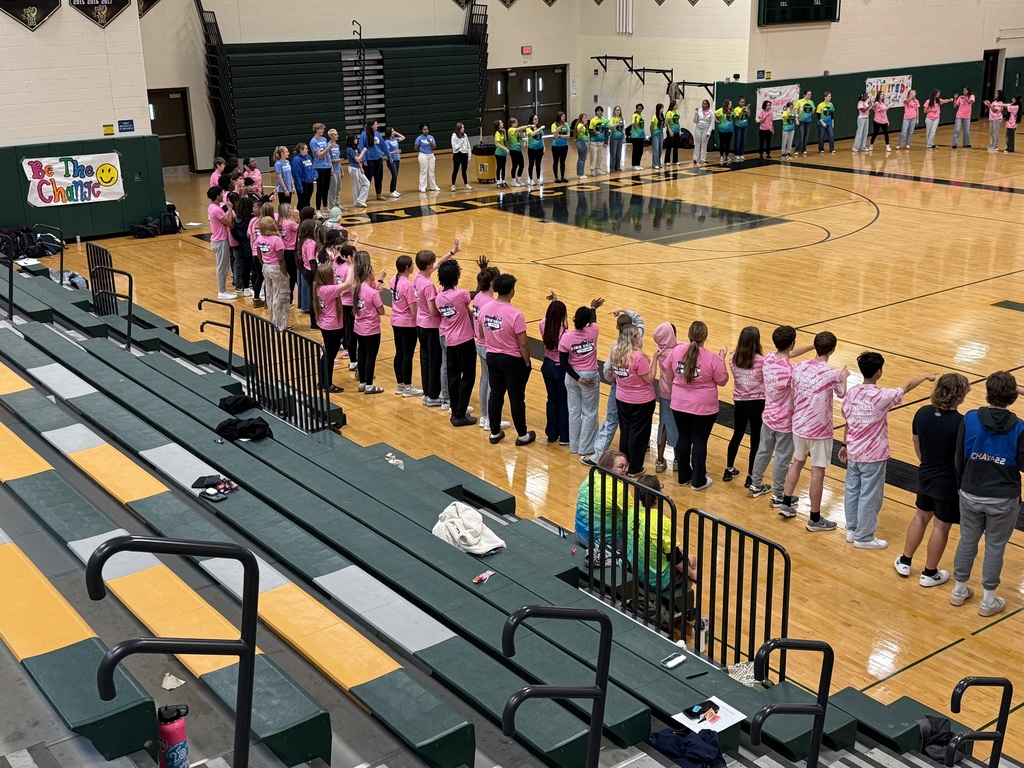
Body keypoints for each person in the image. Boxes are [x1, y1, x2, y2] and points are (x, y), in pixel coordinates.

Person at [839, 353, 934, 549]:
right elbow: (906, 386)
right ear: (878, 372)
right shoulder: (883, 396)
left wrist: (844, 445)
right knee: (870, 495)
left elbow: (848, 421)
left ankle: (852, 529)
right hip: (873, 455)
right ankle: (864, 537)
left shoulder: (852, 393)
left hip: (854, 452)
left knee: (852, 490)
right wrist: (925, 376)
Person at [950, 372, 1024, 617]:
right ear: (1013, 397)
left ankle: (959, 590)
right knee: (995, 546)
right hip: (1004, 497)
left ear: (987, 393)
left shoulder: (970, 418)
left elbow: (959, 456)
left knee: (967, 540)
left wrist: (962, 485)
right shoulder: (1020, 427)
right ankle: (988, 601)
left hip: (970, 492)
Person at [895, 374, 971, 587]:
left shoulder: (922, 413)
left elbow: (916, 443)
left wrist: (927, 463)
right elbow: (962, 456)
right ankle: (929, 574)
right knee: (941, 527)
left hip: (926, 474)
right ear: (958, 396)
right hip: (948, 482)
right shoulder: (962, 423)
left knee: (920, 517)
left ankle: (905, 561)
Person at [778, 331, 847, 530]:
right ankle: (815, 518)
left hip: (798, 425)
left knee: (797, 462)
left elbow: (791, 390)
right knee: (817, 472)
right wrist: (843, 376)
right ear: (833, 349)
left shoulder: (799, 367)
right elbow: (842, 394)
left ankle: (786, 503)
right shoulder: (832, 373)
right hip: (820, 430)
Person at [748, 326, 814, 506]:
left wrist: (811, 347)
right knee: (782, 459)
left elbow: (788, 354)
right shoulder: (791, 371)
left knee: (763, 451)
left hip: (768, 417)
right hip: (785, 422)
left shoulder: (769, 358)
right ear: (792, 343)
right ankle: (778, 494)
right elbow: (796, 396)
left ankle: (755, 484)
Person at [666, 321, 728, 490]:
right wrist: (721, 360)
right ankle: (698, 480)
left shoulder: (677, 351)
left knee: (683, 437)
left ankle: (683, 476)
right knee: (700, 440)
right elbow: (722, 381)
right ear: (705, 337)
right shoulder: (712, 358)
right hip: (703, 407)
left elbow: (668, 371)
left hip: (679, 403)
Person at [480, 273, 534, 446]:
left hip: (492, 356)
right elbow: (523, 343)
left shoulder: (485, 309)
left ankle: (495, 432)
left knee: (496, 395)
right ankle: (522, 435)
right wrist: (526, 362)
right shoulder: (516, 314)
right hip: (512, 360)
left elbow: (481, 333)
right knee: (516, 398)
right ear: (512, 291)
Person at [587, 309, 645, 467]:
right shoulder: (638, 341)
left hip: (619, 388)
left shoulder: (616, 347)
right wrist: (625, 310)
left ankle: (598, 455)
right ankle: (642, 446)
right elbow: (640, 320)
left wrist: (615, 378)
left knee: (612, 420)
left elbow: (607, 370)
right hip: (638, 391)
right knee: (636, 423)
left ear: (618, 329)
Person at [629, 475, 698, 591]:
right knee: (692, 559)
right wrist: (692, 574)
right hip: (655, 579)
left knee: (681, 549)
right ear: (657, 495)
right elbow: (676, 560)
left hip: (634, 568)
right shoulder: (661, 522)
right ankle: (682, 599)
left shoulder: (632, 511)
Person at [415, 240, 460, 407]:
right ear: (428, 265)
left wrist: (452, 252)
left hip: (420, 323)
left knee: (425, 359)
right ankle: (433, 395)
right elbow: (433, 310)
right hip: (431, 325)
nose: (435, 264)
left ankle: (428, 392)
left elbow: (439, 263)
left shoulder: (418, 276)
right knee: (434, 361)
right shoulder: (428, 285)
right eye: (432, 263)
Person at [611, 321, 656, 477]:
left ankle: (623, 465)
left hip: (622, 398)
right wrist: (655, 359)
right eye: (637, 335)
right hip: (641, 400)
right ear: (634, 338)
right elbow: (649, 378)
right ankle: (635, 468)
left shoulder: (615, 351)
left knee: (626, 432)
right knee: (638, 434)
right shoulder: (639, 356)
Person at [560, 301, 603, 459]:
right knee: (590, 413)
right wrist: (593, 308)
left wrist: (577, 378)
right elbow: (593, 320)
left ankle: (574, 445)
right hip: (589, 377)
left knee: (574, 412)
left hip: (572, 377)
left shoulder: (566, 337)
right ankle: (585, 448)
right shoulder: (593, 331)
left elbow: (564, 363)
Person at [436, 260, 477, 426]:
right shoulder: (460, 295)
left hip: (450, 340)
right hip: (465, 341)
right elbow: (477, 293)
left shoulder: (439, 297)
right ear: (456, 277)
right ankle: (460, 413)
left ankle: (455, 411)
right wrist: (483, 271)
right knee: (468, 376)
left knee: (453, 377)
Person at [724, 327, 765, 486]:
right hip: (757, 403)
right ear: (756, 342)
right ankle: (750, 476)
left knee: (737, 435)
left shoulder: (733, 358)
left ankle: (728, 469)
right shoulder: (762, 361)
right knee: (755, 440)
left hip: (739, 402)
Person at [313, 262, 355, 393]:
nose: (335, 276)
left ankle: (322, 382)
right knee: (329, 356)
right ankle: (328, 384)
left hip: (325, 324)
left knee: (326, 354)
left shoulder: (318, 287)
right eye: (333, 274)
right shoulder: (328, 290)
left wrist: (332, 261)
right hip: (333, 327)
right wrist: (351, 266)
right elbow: (348, 283)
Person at [574, 451, 630, 547]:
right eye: (621, 467)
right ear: (608, 467)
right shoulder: (619, 489)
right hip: (603, 543)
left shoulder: (592, 476)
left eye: (626, 466)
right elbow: (634, 517)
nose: (626, 470)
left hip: (580, 534)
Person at [351, 253, 386, 394]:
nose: (374, 273)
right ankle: (370, 386)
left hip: (359, 327)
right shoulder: (373, 293)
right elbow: (382, 311)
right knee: (371, 356)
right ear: (367, 274)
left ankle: (363, 383)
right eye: (372, 272)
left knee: (363, 354)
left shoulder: (356, 288)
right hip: (371, 329)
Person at [389, 255, 421, 397]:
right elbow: (414, 309)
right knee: (407, 354)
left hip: (395, 320)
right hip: (407, 323)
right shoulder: (407, 285)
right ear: (407, 267)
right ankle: (408, 387)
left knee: (400, 352)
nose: (414, 266)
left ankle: (400, 384)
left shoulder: (393, 279)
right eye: (412, 264)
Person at [540, 297, 569, 443]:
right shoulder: (564, 332)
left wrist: (554, 303)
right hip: (560, 368)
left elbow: (549, 316)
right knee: (563, 401)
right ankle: (564, 436)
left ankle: (551, 433)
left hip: (547, 364)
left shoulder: (543, 324)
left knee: (551, 399)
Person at [253, 216, 288, 330]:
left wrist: (263, 262)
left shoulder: (259, 238)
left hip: (266, 267)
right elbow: (281, 258)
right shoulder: (276, 240)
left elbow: (258, 253)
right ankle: (280, 324)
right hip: (276, 268)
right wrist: (285, 272)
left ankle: (272, 320)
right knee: (281, 295)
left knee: (270, 294)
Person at [652, 323, 679, 474]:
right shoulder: (678, 351)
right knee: (678, 426)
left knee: (663, 425)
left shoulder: (659, 350)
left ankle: (660, 460)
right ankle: (677, 460)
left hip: (663, 393)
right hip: (677, 394)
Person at [207, 186, 235, 300]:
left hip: (217, 239)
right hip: (220, 240)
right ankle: (222, 291)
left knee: (223, 266)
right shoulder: (216, 209)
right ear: (218, 196)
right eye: (221, 193)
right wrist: (229, 209)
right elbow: (229, 223)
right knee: (222, 267)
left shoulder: (212, 207)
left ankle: (223, 290)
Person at [229, 195, 253, 297]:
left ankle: (243, 286)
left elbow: (233, 232)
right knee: (250, 267)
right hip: (249, 246)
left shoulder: (235, 220)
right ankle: (244, 285)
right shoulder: (250, 220)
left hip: (241, 245)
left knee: (243, 266)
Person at [359, 120, 386, 201]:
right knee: (367, 179)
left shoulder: (378, 134)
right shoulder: (364, 135)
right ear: (371, 125)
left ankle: (379, 194)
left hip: (378, 159)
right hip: (369, 160)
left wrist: (388, 156)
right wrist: (364, 160)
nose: (377, 125)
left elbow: (383, 145)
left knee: (379, 177)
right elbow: (361, 147)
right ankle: (364, 196)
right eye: (376, 124)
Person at [309, 123, 331, 212]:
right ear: (317, 130)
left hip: (327, 167)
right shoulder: (313, 141)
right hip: (319, 167)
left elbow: (327, 154)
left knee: (326, 188)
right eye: (321, 129)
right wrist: (328, 148)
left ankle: (325, 206)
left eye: (323, 129)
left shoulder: (324, 139)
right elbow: (320, 155)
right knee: (320, 189)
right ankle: (318, 208)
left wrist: (330, 166)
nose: (323, 130)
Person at [415, 124, 441, 192]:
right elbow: (416, 148)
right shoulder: (419, 138)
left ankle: (433, 186)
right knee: (423, 171)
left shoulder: (431, 137)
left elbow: (434, 147)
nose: (426, 131)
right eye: (424, 129)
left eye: (427, 129)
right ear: (422, 130)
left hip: (431, 155)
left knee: (431, 171)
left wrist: (430, 142)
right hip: (423, 155)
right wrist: (422, 150)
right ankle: (422, 187)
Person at [291, 142, 317, 210]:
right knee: (302, 201)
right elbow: (296, 175)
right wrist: (299, 186)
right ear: (301, 150)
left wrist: (315, 175)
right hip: (303, 183)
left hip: (310, 183)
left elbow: (312, 167)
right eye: (306, 148)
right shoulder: (296, 160)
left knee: (307, 201)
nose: (307, 150)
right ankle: (300, 215)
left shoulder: (308, 157)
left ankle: (307, 215)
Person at [346, 135, 369, 208]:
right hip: (353, 168)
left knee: (366, 183)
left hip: (357, 168)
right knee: (356, 185)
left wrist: (361, 167)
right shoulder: (349, 149)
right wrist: (363, 152)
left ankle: (360, 199)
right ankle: (357, 201)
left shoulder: (354, 149)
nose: (356, 140)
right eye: (355, 138)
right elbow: (358, 159)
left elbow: (358, 161)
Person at [450, 122, 472, 191]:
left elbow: (468, 146)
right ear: (458, 128)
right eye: (462, 127)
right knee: (455, 170)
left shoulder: (465, 135)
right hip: (457, 154)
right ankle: (453, 185)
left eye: (463, 127)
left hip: (464, 154)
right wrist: (460, 142)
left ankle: (466, 184)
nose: (463, 129)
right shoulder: (454, 136)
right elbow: (455, 147)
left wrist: (469, 155)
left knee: (464, 170)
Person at [384, 127, 405, 198]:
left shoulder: (395, 139)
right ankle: (391, 191)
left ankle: (394, 189)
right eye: (392, 131)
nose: (393, 132)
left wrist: (395, 132)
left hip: (397, 160)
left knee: (396, 175)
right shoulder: (387, 142)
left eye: (394, 131)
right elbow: (387, 152)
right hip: (391, 161)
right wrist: (395, 152)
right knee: (394, 175)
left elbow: (403, 137)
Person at [525, 114, 546, 186]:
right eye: (535, 119)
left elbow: (541, 138)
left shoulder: (539, 127)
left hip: (539, 148)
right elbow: (533, 134)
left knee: (538, 164)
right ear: (532, 120)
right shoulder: (528, 128)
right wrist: (540, 129)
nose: (537, 120)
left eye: (537, 118)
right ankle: (531, 179)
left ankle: (538, 179)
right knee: (531, 164)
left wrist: (544, 147)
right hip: (532, 149)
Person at [693, 99, 714, 165]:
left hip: (706, 129)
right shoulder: (699, 111)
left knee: (704, 144)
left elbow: (712, 123)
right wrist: (696, 114)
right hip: (698, 128)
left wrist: (709, 132)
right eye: (703, 103)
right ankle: (695, 158)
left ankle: (703, 159)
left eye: (705, 104)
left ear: (708, 105)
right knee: (697, 144)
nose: (703, 105)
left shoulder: (711, 113)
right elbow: (695, 121)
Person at [551, 112, 570, 183]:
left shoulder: (566, 125)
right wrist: (557, 130)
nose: (564, 118)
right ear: (559, 117)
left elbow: (568, 136)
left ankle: (562, 176)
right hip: (556, 146)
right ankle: (556, 177)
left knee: (563, 161)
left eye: (564, 117)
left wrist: (560, 135)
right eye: (562, 117)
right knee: (555, 161)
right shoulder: (554, 125)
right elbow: (555, 137)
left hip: (564, 145)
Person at [589, 106, 609, 176]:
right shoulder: (593, 120)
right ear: (596, 112)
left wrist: (606, 141)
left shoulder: (605, 120)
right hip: (594, 141)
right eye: (598, 111)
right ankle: (592, 169)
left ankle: (598, 169)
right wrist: (595, 133)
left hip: (602, 141)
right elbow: (590, 131)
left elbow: (607, 132)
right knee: (593, 157)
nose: (600, 112)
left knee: (601, 156)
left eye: (601, 111)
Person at [794, 90, 815, 156]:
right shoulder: (799, 101)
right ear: (804, 95)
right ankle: (797, 150)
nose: (810, 96)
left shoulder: (811, 102)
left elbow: (812, 112)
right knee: (801, 135)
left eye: (810, 94)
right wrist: (796, 119)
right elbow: (795, 111)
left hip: (808, 121)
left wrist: (813, 110)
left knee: (806, 136)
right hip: (801, 120)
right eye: (808, 94)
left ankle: (804, 149)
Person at [326, 129, 343, 209]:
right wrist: (333, 166)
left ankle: (337, 204)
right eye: (336, 134)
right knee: (333, 189)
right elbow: (328, 159)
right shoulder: (328, 146)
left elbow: (339, 158)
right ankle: (332, 206)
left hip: (338, 170)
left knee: (338, 188)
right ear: (331, 136)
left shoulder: (337, 146)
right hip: (332, 170)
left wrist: (341, 170)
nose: (337, 136)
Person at [714, 99, 734, 163]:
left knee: (728, 143)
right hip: (722, 130)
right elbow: (713, 113)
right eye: (730, 104)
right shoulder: (720, 110)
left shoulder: (731, 110)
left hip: (730, 130)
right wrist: (716, 120)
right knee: (722, 143)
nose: (731, 105)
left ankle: (727, 156)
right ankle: (721, 156)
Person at [507, 117, 525, 187]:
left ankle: (518, 179)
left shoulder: (516, 131)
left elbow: (522, 137)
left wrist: (520, 132)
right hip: (513, 150)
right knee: (515, 165)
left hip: (518, 149)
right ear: (512, 124)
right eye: (516, 122)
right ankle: (513, 180)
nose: (517, 123)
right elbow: (520, 128)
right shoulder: (511, 130)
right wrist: (528, 126)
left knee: (522, 165)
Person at [629, 104, 646, 171]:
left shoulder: (642, 116)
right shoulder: (634, 116)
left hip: (641, 135)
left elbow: (642, 127)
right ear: (636, 109)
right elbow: (635, 126)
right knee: (635, 150)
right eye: (639, 108)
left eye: (641, 108)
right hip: (635, 136)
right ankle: (634, 164)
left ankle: (638, 164)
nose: (640, 109)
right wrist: (636, 120)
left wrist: (644, 135)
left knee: (640, 151)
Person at [732, 97, 749, 162]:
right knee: (738, 140)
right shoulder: (736, 109)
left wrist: (748, 109)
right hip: (738, 126)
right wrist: (742, 110)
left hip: (745, 126)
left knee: (743, 140)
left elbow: (749, 115)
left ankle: (741, 153)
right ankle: (736, 154)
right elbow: (739, 117)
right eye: (741, 102)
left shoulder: (746, 108)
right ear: (738, 102)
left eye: (743, 102)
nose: (742, 103)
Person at [608, 105, 625, 173]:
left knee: (619, 153)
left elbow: (623, 128)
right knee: (613, 153)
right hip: (614, 138)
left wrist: (624, 137)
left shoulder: (621, 118)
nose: (618, 111)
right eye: (616, 110)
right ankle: (612, 167)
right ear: (614, 111)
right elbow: (610, 127)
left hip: (620, 138)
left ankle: (617, 167)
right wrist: (616, 124)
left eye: (619, 110)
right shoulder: (612, 119)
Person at [665, 99, 681, 166]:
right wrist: (670, 131)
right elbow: (667, 123)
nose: (677, 106)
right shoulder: (669, 113)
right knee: (669, 146)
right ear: (673, 105)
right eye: (676, 105)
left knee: (676, 146)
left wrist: (679, 130)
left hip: (677, 131)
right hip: (671, 131)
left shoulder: (677, 112)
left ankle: (675, 160)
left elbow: (678, 122)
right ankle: (667, 161)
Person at [493, 120, 509, 188]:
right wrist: (505, 149)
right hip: (499, 153)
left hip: (503, 153)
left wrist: (504, 132)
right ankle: (498, 181)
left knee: (503, 167)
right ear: (498, 125)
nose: (502, 124)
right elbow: (497, 144)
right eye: (501, 123)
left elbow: (505, 140)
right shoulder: (497, 133)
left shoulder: (501, 132)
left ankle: (503, 181)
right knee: (499, 167)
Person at [650, 103, 666, 170]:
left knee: (660, 148)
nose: (662, 109)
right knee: (656, 149)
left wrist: (667, 123)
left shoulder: (662, 117)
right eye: (661, 108)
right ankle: (655, 164)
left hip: (661, 134)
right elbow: (651, 126)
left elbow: (663, 126)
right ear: (658, 109)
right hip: (655, 134)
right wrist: (652, 134)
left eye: (663, 108)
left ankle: (658, 162)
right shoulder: (654, 117)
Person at [574, 113, 590, 179]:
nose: (585, 119)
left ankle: (579, 173)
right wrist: (583, 124)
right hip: (581, 142)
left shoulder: (585, 126)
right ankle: (581, 174)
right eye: (584, 118)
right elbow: (578, 129)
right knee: (582, 158)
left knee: (580, 158)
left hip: (584, 142)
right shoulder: (580, 124)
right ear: (581, 119)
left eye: (586, 117)